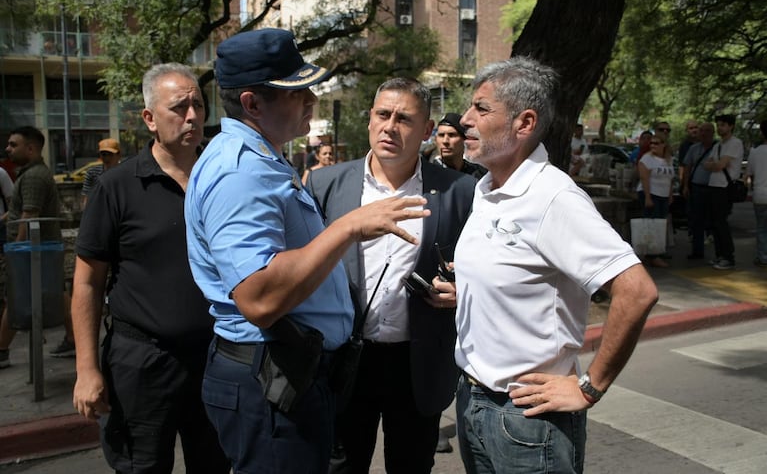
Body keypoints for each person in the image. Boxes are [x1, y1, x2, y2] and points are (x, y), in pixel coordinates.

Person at [184, 28, 430, 474]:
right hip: (268, 372)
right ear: (252, 103)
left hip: (291, 369)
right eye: (294, 92)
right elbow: (257, 298)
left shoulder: (263, 158)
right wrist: (348, 228)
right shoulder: (238, 173)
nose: (310, 99)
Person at [452, 57, 658, 474]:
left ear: (524, 123)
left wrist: (589, 388)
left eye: (481, 108)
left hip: (526, 419)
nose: (464, 120)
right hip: (473, 400)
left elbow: (636, 291)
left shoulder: (553, 197)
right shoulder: (487, 187)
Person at [306, 78, 476, 472]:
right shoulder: (325, 184)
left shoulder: (460, 191)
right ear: (369, 119)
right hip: (346, 361)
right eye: (383, 114)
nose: (390, 126)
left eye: (404, 119)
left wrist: (462, 289)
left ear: (427, 130)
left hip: (417, 364)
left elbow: (481, 268)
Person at [71, 63, 229, 474]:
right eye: (179, 107)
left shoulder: (222, 179)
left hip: (216, 358)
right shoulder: (117, 186)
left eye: (198, 104)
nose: (192, 115)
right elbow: (88, 283)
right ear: (150, 119)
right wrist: (86, 370)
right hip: (142, 366)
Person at [0, 126, 74, 369]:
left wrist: (17, 252)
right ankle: (74, 339)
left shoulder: (33, 177)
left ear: (30, 148)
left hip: (32, 252)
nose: (8, 149)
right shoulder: (31, 174)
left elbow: (29, 216)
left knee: (17, 299)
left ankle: (1, 350)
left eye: (13, 144)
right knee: (57, 295)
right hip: (37, 251)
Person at [702, 113, 744, 270]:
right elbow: (707, 164)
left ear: (731, 126)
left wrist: (716, 164)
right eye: (718, 125)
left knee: (721, 222)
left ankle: (728, 256)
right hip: (714, 185)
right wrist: (716, 164)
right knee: (714, 223)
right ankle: (719, 255)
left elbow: (719, 165)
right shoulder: (718, 145)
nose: (720, 128)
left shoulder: (735, 143)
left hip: (725, 187)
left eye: (723, 125)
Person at [636, 133, 675, 267]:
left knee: (661, 223)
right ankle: (652, 256)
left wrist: (670, 195)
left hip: (663, 194)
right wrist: (647, 197)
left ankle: (656, 251)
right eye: (651, 143)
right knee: (652, 224)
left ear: (664, 145)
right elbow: (644, 178)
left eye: (656, 143)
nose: (653, 146)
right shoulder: (647, 159)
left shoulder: (668, 159)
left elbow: (670, 179)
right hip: (651, 193)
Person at [682, 122, 717, 260]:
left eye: (707, 131)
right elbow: (687, 167)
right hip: (697, 188)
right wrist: (685, 186)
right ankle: (697, 251)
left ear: (712, 133)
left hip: (714, 188)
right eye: (702, 130)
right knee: (697, 220)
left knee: (715, 220)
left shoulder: (717, 148)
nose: (704, 133)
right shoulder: (693, 149)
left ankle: (719, 253)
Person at [432, 112, 487, 179]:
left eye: (452, 135)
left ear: (464, 139)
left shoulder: (479, 173)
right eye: (441, 135)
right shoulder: (427, 174)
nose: (445, 141)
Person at [746, 120, 767, 266]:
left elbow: (749, 174)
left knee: (761, 228)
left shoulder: (755, 152)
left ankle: (763, 256)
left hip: (760, 195)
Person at [81, 137, 122, 207]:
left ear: (118, 155)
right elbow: (86, 198)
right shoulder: (92, 173)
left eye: (110, 154)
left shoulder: (125, 173)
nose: (107, 158)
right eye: (103, 154)